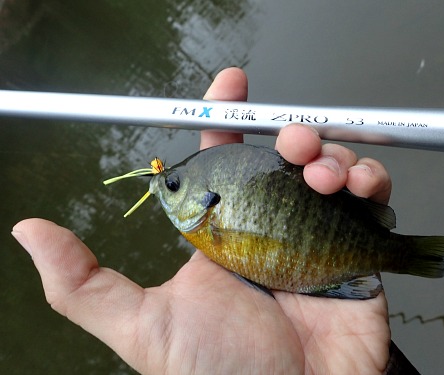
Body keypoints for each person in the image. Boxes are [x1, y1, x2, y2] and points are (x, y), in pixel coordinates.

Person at [12, 68, 416, 374]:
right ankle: (403, 254)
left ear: (206, 199)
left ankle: (404, 254)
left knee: (324, 173)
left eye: (172, 185)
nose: (163, 189)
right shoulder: (210, 234)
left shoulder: (211, 226)